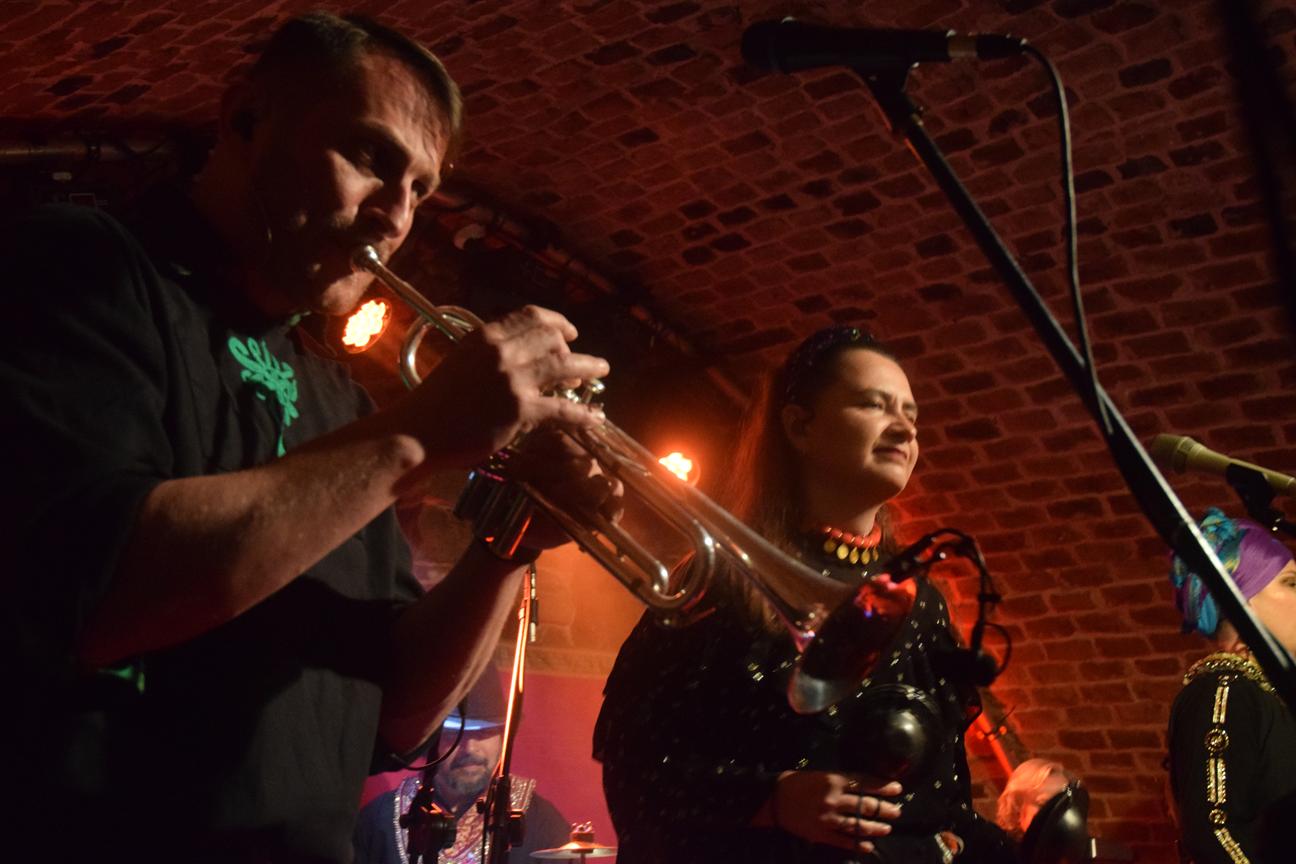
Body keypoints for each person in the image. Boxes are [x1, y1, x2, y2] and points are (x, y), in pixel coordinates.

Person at [0, 12, 615, 863]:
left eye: (422, 190)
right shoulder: (82, 263)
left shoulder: (339, 399)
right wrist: (415, 436)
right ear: (245, 117)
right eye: (370, 157)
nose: (394, 215)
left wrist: (511, 541)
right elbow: (93, 590)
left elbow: (393, 714)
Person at [593, 326, 1016, 863]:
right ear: (799, 426)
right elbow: (635, 770)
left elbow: (944, 801)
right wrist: (772, 800)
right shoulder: (724, 579)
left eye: (911, 414)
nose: (904, 428)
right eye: (873, 405)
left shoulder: (922, 602)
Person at [1167, 508, 1296, 864]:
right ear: (1243, 604)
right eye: (1291, 583)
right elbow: (1213, 833)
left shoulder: (1270, 693)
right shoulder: (1224, 689)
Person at [354, 672, 569, 864]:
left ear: (502, 738)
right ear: (428, 741)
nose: (471, 748)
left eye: (484, 732)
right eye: (454, 735)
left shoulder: (542, 822)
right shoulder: (377, 821)